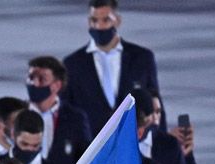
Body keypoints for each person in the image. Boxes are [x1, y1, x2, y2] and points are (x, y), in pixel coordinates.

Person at [62, 0, 160, 134]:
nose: (99, 26)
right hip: (90, 148)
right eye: (94, 20)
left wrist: (162, 146)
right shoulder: (72, 64)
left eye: (106, 20)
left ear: (117, 21)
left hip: (134, 144)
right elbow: (66, 112)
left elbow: (155, 104)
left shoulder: (142, 58)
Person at [26, 56, 91, 164]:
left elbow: (86, 159)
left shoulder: (75, 118)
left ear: (56, 85)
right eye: (31, 77)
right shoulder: (17, 114)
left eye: (42, 79)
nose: (34, 83)